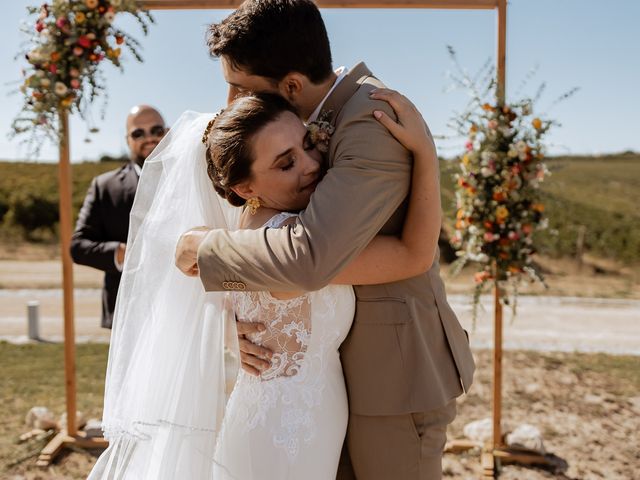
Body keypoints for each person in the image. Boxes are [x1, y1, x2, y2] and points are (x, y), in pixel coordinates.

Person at [174, 1, 475, 478]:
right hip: (323, 390)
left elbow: (307, 259)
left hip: (392, 376)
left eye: (240, 87)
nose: (231, 102)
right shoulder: (295, 130)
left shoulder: (371, 121)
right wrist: (242, 317)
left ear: (291, 85)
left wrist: (200, 249)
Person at [87, 90, 436, 479]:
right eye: (286, 164)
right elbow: (412, 254)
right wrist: (424, 153)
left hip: (290, 422)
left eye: (308, 145)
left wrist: (223, 326)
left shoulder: (243, 232)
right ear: (245, 189)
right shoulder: (286, 248)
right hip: (286, 437)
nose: (312, 165)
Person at [70, 105, 166, 328]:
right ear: (127, 139)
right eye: (138, 133)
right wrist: (123, 253)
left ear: (168, 132)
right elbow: (78, 246)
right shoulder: (105, 186)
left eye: (156, 130)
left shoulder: (190, 180)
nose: (149, 138)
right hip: (128, 313)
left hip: (184, 311)